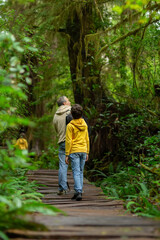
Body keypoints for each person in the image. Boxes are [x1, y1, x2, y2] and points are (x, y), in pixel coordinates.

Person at [65, 104, 89, 201]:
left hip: (74, 150)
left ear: (71, 114)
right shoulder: (84, 124)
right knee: (80, 171)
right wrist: (87, 151)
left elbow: (69, 141)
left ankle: (78, 191)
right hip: (83, 149)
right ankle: (78, 191)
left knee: (76, 172)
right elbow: (87, 139)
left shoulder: (70, 126)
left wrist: (67, 154)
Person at [53, 96, 71, 195]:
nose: (70, 102)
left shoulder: (55, 115)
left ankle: (62, 188)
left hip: (61, 142)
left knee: (62, 165)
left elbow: (56, 129)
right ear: (64, 103)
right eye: (68, 100)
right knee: (77, 166)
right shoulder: (70, 111)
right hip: (72, 142)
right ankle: (79, 188)